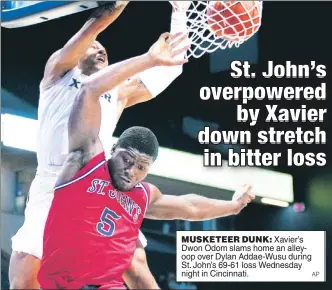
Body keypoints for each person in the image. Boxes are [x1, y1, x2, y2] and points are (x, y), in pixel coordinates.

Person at [37, 32, 255, 288]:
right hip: (65, 278)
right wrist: (148, 58)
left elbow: (189, 207)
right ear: (113, 149)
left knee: (141, 271)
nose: (130, 171)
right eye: (127, 160)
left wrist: (233, 206)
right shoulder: (85, 163)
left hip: (106, 280)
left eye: (141, 167)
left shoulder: (141, 195)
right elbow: (88, 90)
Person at [9, 1, 190, 289]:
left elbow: (172, 67)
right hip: (52, 182)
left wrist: (180, 13)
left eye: (104, 49)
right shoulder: (58, 74)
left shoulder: (117, 92)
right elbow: (96, 22)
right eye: (94, 47)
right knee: (24, 275)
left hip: (95, 181)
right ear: (76, 54)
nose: (100, 49)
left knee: (135, 265)